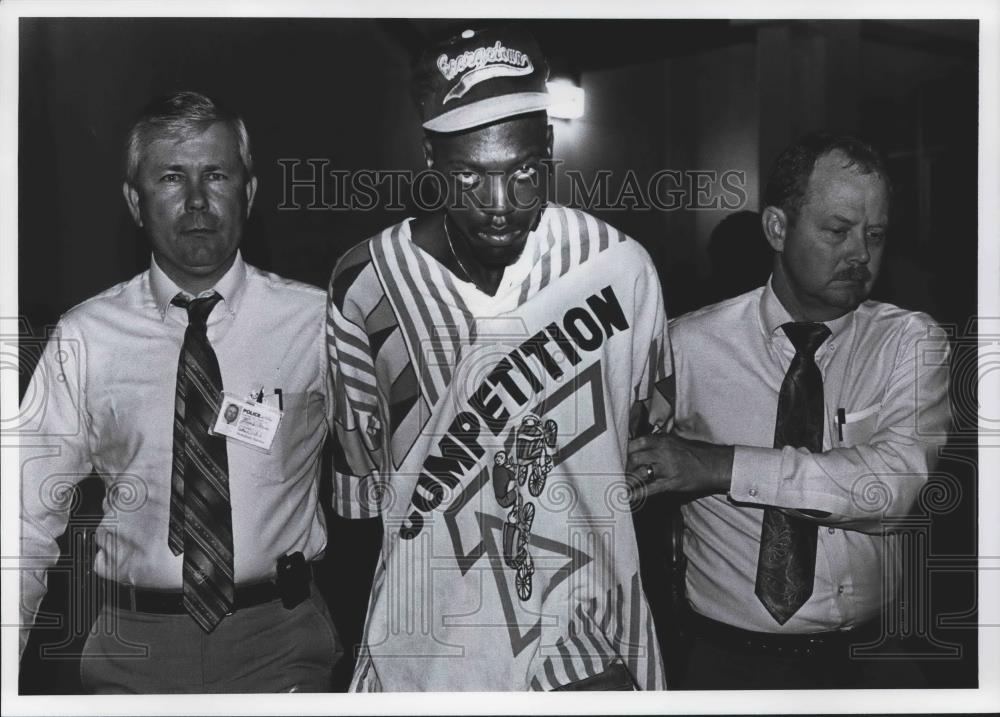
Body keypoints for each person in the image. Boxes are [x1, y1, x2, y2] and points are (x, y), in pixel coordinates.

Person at [327, 25, 670, 691]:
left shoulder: (619, 270)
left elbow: (644, 470)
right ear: (428, 153)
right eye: (470, 176)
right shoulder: (364, 286)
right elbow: (357, 508)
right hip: (430, 653)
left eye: (522, 172)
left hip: (584, 651)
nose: (499, 205)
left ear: (548, 144)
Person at [19, 91, 341, 693]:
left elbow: (398, 467)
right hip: (131, 646)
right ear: (135, 202)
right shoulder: (85, 336)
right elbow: (22, 516)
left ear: (247, 192)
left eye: (216, 174)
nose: (196, 200)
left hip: (281, 641)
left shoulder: (320, 324)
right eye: (171, 177)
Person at [626, 131, 952, 689]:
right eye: (837, 230)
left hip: (874, 655)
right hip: (726, 661)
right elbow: (621, 468)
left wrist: (722, 465)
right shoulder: (684, 346)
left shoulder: (909, 342)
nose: (860, 254)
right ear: (777, 228)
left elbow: (894, 488)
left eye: (875, 235)